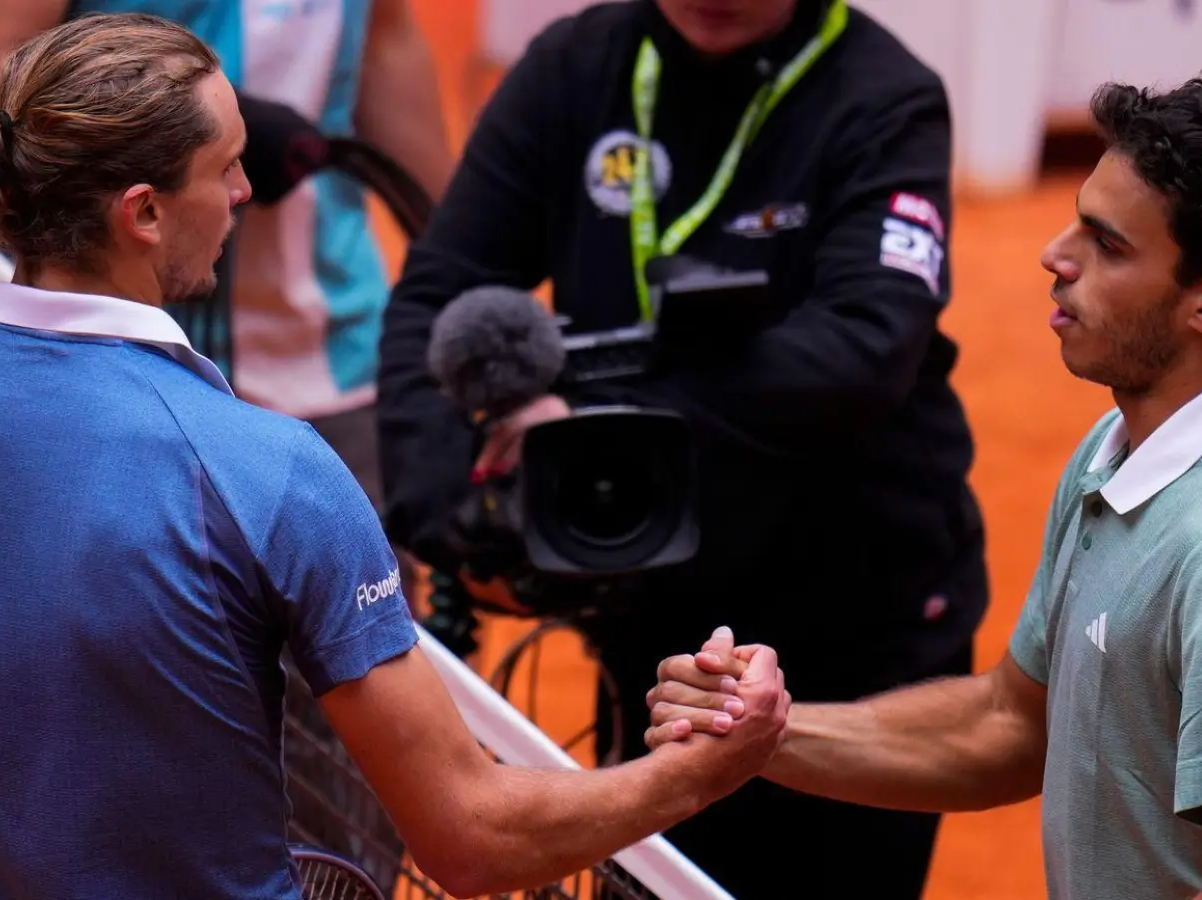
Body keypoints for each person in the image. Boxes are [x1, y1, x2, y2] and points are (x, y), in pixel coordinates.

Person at [0, 14, 787, 899]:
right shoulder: (270, 471)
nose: (244, 189)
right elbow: (470, 840)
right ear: (144, 213)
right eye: (224, 166)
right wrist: (704, 769)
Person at [647, 55, 1202, 900]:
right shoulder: (1118, 454)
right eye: (1079, 224)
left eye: (1106, 246)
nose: (1054, 254)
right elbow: (1009, 726)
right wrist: (759, 732)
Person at [378, 1, 985, 895]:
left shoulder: (885, 97)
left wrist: (589, 415)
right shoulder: (574, 67)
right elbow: (439, 299)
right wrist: (460, 521)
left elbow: (866, 346)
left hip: (860, 618)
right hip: (656, 612)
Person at [0, 0, 455, 512]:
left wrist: (460, 276)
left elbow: (385, 45)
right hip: (110, 379)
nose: (242, 188)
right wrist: (185, 131)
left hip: (335, 345)